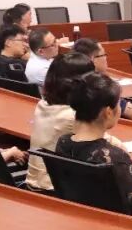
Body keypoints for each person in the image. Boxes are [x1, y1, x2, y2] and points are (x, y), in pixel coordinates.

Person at [57, 72, 132, 224]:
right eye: (119, 103)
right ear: (108, 112)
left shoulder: (63, 142)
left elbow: (91, 193)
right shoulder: (114, 157)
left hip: (85, 223)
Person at [26, 52, 95, 192]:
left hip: (35, 183)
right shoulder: (72, 116)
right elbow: (107, 143)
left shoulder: (42, 104)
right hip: (53, 189)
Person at [72, 37, 132, 120]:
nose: (106, 58)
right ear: (92, 59)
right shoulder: (98, 85)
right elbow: (130, 112)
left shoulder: (71, 81)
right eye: (103, 54)